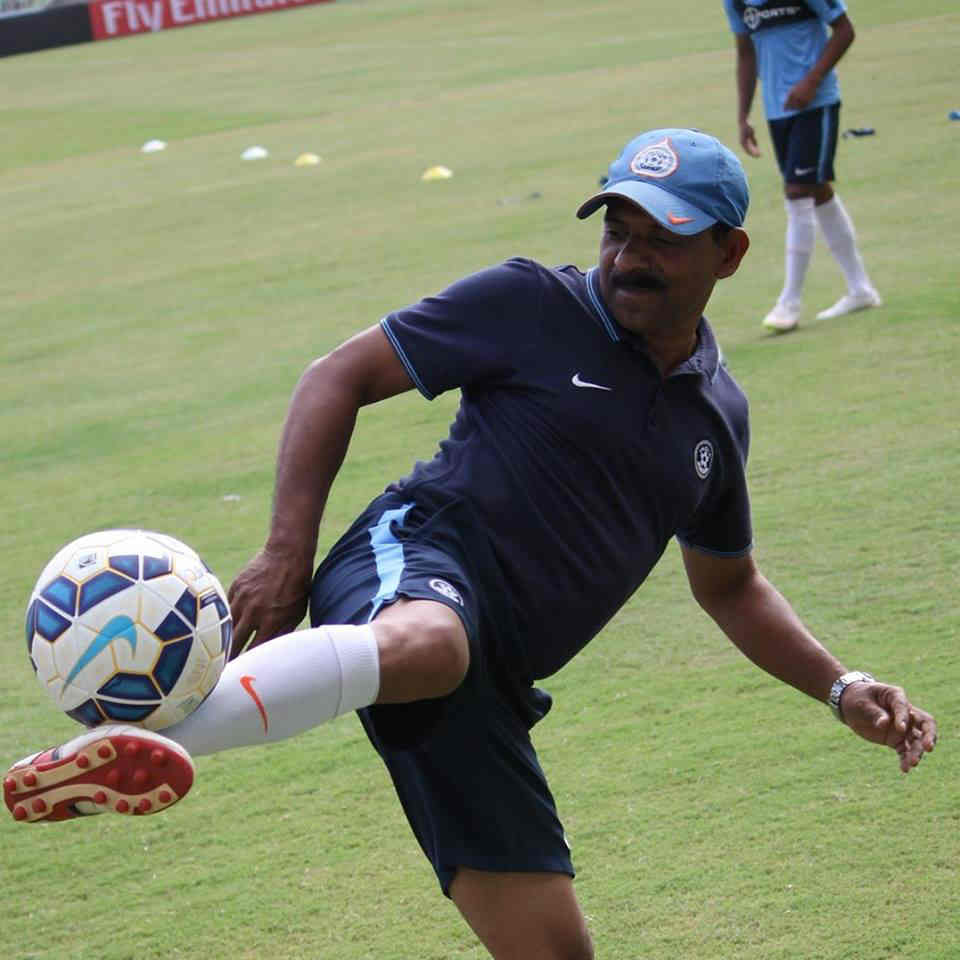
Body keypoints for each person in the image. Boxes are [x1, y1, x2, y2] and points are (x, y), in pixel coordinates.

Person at [5, 128, 936, 960]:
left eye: (662, 238)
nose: (629, 257)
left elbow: (730, 588)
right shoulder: (532, 303)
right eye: (617, 231)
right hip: (413, 556)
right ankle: (146, 739)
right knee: (434, 643)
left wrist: (841, 686)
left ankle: (143, 740)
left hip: (483, 692)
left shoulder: (716, 419)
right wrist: (287, 553)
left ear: (729, 253)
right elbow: (337, 376)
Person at [724, 0, 883, 333]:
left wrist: (812, 81)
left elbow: (844, 30)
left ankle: (790, 303)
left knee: (797, 193)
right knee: (818, 191)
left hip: (816, 103)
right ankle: (860, 289)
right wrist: (743, 117)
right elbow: (746, 52)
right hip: (777, 108)